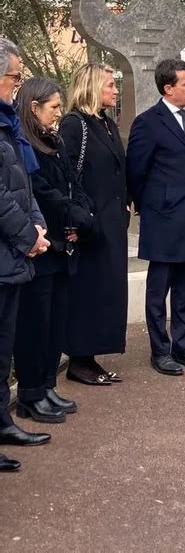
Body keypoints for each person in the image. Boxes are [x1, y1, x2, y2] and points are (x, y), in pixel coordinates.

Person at [14, 77, 94, 422]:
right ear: (34, 108)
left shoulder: (54, 142)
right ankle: (31, 393)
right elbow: (42, 192)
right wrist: (74, 212)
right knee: (36, 325)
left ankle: (47, 385)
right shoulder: (25, 145)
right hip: (42, 246)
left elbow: (73, 184)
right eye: (54, 108)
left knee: (55, 323)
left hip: (65, 244)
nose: (59, 113)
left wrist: (85, 212)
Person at [127, 59, 185, 376]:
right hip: (163, 218)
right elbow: (136, 170)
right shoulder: (148, 122)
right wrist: (151, 204)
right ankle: (160, 350)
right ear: (168, 87)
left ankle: (182, 345)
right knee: (158, 289)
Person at [59, 64, 128, 385]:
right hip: (87, 225)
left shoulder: (107, 125)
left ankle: (91, 356)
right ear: (92, 86)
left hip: (110, 224)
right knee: (86, 292)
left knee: (105, 293)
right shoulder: (75, 124)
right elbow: (65, 175)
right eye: (110, 85)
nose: (115, 91)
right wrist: (78, 217)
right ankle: (79, 359)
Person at [0, 38, 51, 472]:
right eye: (15, 76)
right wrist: (26, 236)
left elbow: (24, 187)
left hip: (12, 255)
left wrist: (38, 226)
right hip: (7, 250)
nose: (18, 84)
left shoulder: (7, 126)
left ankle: (2, 421)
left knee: (3, 350)